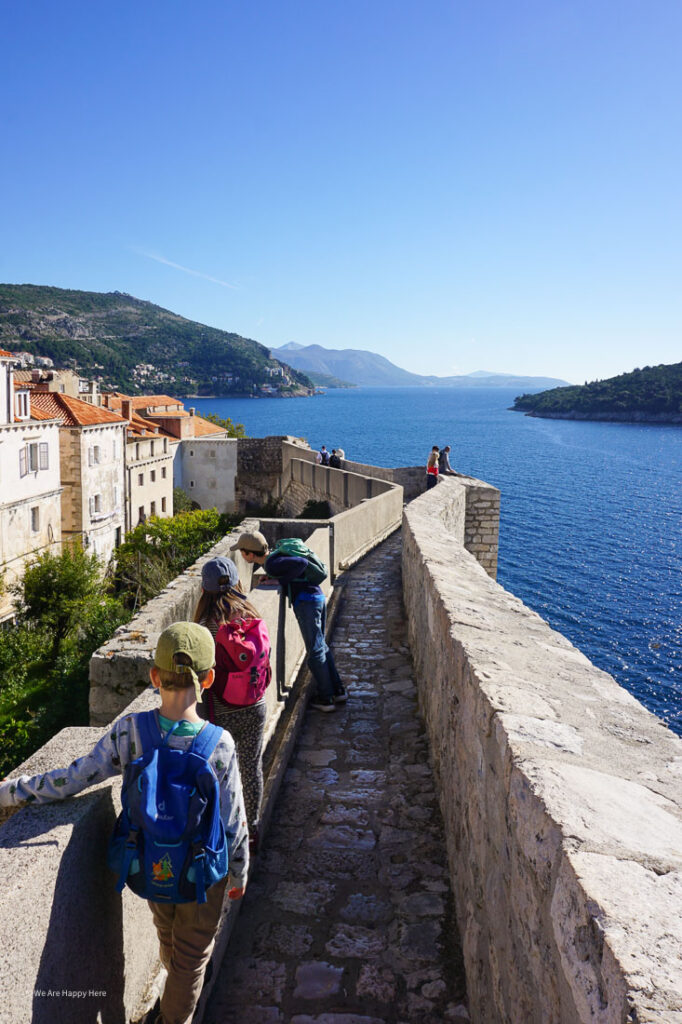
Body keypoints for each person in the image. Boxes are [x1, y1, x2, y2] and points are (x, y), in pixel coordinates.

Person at [0, 622, 249, 1024]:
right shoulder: (219, 744)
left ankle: (169, 988)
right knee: (192, 962)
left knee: (166, 935)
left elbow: (74, 777)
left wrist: (10, 792)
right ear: (209, 679)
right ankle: (173, 1017)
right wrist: (239, 874)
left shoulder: (130, 732)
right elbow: (234, 822)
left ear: (154, 677)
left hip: (151, 861)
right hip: (204, 875)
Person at [195, 556, 270, 850]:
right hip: (255, 705)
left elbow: (202, 674)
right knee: (251, 768)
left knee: (220, 774)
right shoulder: (250, 614)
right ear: (237, 582)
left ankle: (224, 833)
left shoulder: (205, 627)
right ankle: (250, 830)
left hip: (219, 712)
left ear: (205, 589)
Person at [230, 530, 346, 713]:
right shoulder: (275, 559)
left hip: (307, 603)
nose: (242, 556)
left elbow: (301, 563)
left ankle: (327, 698)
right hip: (316, 598)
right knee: (321, 647)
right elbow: (293, 567)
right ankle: (338, 690)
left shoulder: (272, 563)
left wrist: (282, 581)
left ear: (250, 554)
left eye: (243, 552)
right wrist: (275, 577)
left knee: (315, 651)